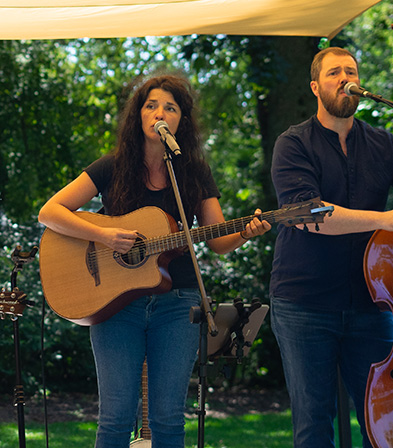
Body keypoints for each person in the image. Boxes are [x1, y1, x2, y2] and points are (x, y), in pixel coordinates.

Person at [38, 74, 271, 448]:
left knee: (167, 418)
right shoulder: (111, 166)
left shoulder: (193, 172)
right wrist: (104, 235)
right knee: (115, 417)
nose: (159, 113)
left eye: (170, 107)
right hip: (115, 305)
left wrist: (246, 232)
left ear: (180, 121)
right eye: (151, 105)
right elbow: (50, 212)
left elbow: (218, 240)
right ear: (139, 115)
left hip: (178, 302)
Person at [269, 46, 393, 448]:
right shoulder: (293, 143)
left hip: (373, 302)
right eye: (334, 72)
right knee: (313, 424)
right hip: (304, 302)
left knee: (382, 420)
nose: (344, 78)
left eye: (350, 70)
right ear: (316, 87)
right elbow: (308, 214)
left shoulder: (383, 144)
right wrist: (383, 218)